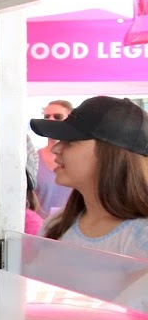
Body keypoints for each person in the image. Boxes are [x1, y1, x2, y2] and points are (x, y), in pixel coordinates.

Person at [30, 96, 148, 259]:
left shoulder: (141, 236)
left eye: (71, 141)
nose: (56, 148)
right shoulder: (56, 224)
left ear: (110, 154)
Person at [33, 99, 75, 215]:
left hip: (72, 222)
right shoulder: (34, 158)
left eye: (57, 117)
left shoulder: (79, 159)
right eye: (47, 117)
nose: (51, 120)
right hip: (40, 224)